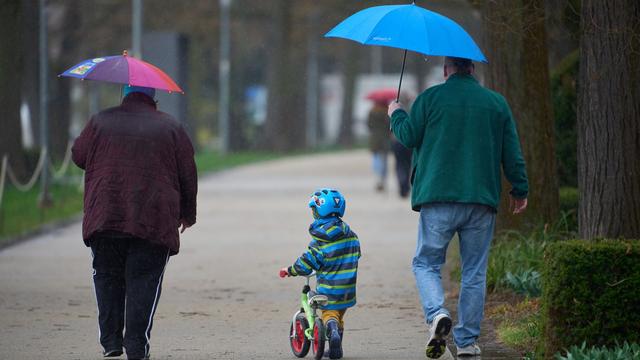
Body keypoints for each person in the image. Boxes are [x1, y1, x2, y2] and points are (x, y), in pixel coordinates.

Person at [388, 56, 529, 359]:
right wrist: (520, 189)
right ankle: (466, 343)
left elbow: (408, 136)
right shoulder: (496, 103)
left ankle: (437, 313)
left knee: (426, 263)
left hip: (438, 197)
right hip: (480, 200)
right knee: (474, 272)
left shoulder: (430, 99)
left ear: (445, 70)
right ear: (472, 69)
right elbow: (511, 152)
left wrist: (396, 113)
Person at [72, 85, 197, 360]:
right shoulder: (171, 127)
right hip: (153, 218)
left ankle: (111, 341)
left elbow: (79, 156)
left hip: (105, 215)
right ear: (154, 97)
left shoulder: (100, 121)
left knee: (107, 276)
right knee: (145, 280)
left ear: (124, 94)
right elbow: (188, 172)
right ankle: (137, 347)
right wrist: (188, 213)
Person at [279, 188, 361, 360]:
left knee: (329, 314)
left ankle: (331, 329)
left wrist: (290, 270)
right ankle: (335, 349)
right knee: (339, 315)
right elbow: (357, 254)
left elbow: (306, 263)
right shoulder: (352, 236)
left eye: (314, 209)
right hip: (347, 289)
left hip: (329, 287)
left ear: (319, 212)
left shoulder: (319, 242)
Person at [367, 102, 391, 192]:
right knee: (384, 160)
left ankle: (377, 178)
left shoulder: (372, 112)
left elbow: (369, 125)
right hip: (384, 139)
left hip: (374, 139)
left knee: (376, 159)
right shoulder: (387, 112)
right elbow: (389, 126)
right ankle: (383, 179)